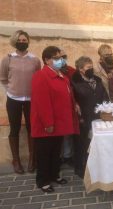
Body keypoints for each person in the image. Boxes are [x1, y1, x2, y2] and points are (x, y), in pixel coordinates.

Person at [31, 46, 79, 192]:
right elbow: (42, 102)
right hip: (46, 124)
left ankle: (54, 174)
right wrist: (48, 123)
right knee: (44, 153)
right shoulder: (41, 76)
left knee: (55, 151)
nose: (60, 61)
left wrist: (74, 106)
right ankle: (43, 180)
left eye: (61, 58)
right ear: (46, 60)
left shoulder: (61, 75)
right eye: (56, 58)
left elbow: (67, 95)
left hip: (59, 122)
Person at [0, 30, 41, 174]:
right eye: (20, 40)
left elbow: (38, 79)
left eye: (25, 40)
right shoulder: (8, 59)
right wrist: (12, 91)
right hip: (13, 100)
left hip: (31, 100)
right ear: (15, 41)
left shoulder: (35, 60)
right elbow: (3, 78)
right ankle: (16, 160)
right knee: (15, 129)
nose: (22, 42)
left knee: (32, 128)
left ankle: (32, 159)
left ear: (28, 41)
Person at [71, 56, 109, 178]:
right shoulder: (74, 81)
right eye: (88, 67)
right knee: (82, 144)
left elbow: (104, 96)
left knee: (96, 144)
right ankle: (81, 168)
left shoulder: (97, 79)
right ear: (81, 69)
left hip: (98, 117)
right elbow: (72, 99)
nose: (91, 69)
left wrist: (106, 109)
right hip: (83, 118)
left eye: (92, 66)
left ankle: (96, 167)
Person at [59, 49, 76, 165]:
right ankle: (58, 156)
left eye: (64, 56)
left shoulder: (72, 71)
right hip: (58, 106)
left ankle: (67, 155)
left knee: (68, 133)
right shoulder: (52, 71)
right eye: (59, 57)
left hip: (71, 105)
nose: (62, 59)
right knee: (58, 134)